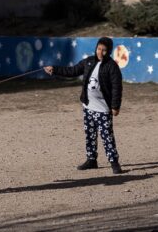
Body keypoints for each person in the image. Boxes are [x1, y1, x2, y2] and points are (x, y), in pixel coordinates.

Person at [44, 37, 124, 174]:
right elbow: (72, 71)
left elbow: (117, 87)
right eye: (99, 49)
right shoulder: (88, 62)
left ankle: (114, 162)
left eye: (104, 50)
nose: (101, 52)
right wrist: (55, 69)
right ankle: (91, 159)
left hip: (103, 109)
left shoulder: (112, 66)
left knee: (107, 136)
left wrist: (115, 106)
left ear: (109, 51)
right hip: (88, 107)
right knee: (90, 135)